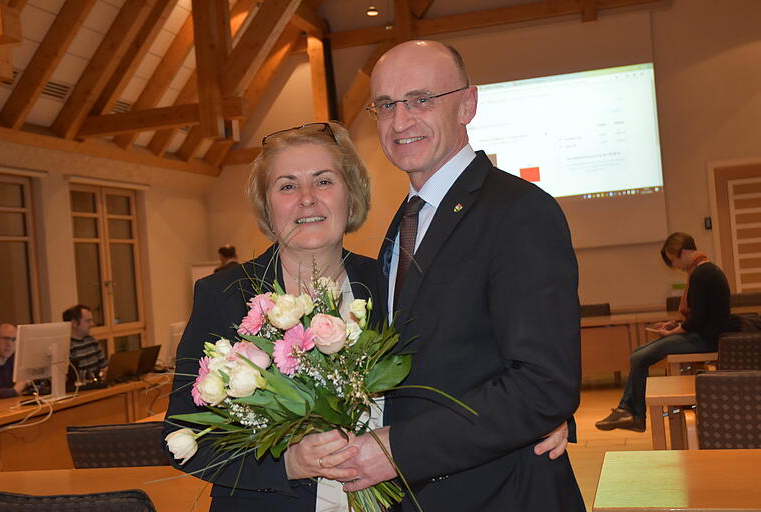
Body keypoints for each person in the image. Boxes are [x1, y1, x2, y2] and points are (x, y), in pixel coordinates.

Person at [337, 40, 584, 511]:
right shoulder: (407, 220)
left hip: (505, 493)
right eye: (386, 105)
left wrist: (399, 449)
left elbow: (542, 384)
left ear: (468, 104)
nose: (401, 120)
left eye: (421, 99)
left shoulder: (518, 211)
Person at [163, 122, 380, 511]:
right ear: (267, 205)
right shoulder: (223, 295)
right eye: (287, 186)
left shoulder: (389, 284)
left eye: (324, 181)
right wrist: (286, 464)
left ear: (352, 194)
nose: (307, 199)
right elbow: (185, 432)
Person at [596, 232, 740, 432]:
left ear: (684, 251)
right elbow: (700, 315)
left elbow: (698, 320)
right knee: (638, 354)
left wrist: (675, 332)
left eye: (674, 259)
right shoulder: (704, 270)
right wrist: (676, 326)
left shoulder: (702, 274)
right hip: (702, 334)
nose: (675, 266)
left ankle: (633, 413)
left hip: (707, 340)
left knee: (640, 357)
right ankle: (628, 411)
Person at [62, 305, 108, 385]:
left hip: (97, 387)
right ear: (74, 323)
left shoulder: (93, 341)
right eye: (88, 321)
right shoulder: (66, 346)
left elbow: (104, 366)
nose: (92, 324)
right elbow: (69, 378)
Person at [0, 323, 28, 398]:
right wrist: (15, 390)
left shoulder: (16, 361)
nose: (9, 344)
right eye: (5, 338)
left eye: (14, 339)